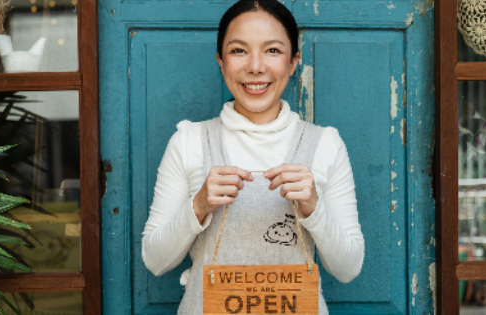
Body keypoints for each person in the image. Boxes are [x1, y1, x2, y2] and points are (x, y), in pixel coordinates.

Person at [141, 0, 365, 313]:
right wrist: (199, 205)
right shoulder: (189, 141)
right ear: (221, 61)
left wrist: (314, 206)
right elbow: (154, 260)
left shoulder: (325, 144)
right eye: (238, 50)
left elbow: (348, 268)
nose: (256, 66)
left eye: (272, 50)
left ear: (293, 61)